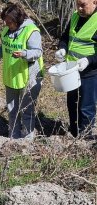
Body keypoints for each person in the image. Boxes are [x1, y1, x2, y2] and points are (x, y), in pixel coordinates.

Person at [0, 3, 44, 139]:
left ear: (18, 19)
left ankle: (27, 140)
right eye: (5, 21)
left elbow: (37, 52)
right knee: (12, 110)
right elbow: (4, 49)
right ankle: (13, 138)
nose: (7, 24)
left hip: (29, 78)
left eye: (9, 22)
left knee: (26, 111)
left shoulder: (31, 31)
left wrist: (24, 54)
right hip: (11, 77)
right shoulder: (6, 31)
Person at [55, 0, 97, 137]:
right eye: (77, 4)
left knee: (86, 108)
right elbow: (66, 37)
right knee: (72, 106)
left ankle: (86, 139)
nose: (79, 8)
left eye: (83, 5)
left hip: (90, 73)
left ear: (94, 2)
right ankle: (74, 136)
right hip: (71, 71)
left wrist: (89, 60)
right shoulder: (75, 16)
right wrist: (62, 48)